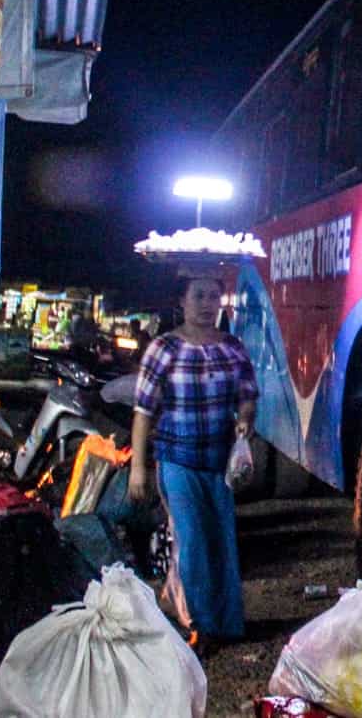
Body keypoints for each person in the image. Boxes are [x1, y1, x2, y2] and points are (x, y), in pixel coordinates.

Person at [129, 273, 255, 649]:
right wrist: (139, 468)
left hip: (220, 464)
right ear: (181, 302)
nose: (206, 304)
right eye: (198, 296)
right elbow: (143, 412)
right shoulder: (163, 348)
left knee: (222, 543)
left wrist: (246, 420)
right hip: (177, 461)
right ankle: (199, 625)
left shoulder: (233, 348)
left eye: (213, 296)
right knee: (194, 542)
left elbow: (247, 396)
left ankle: (226, 623)